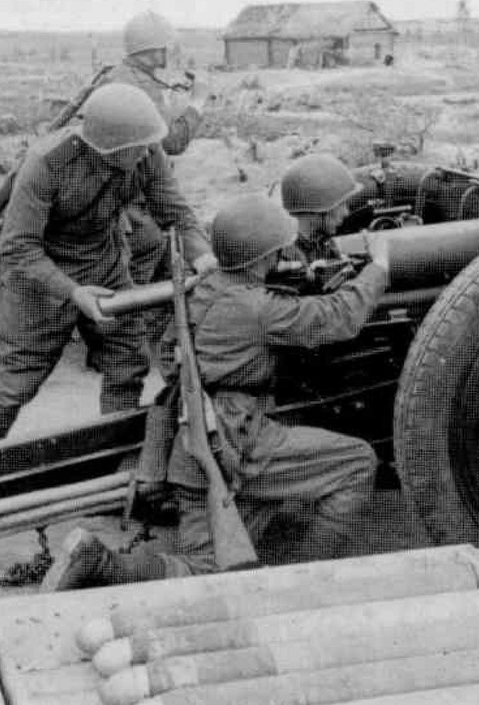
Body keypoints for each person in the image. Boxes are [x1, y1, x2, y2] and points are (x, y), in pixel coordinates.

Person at [40, 194, 391, 591]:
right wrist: (378, 267)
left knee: (205, 569)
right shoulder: (256, 307)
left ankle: (99, 562)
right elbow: (338, 317)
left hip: (192, 444)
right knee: (357, 462)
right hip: (239, 444)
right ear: (264, 256)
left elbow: (170, 358)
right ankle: (304, 579)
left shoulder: (200, 289)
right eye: (277, 251)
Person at [0, 83, 217, 446]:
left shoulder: (147, 151)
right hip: (40, 277)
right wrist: (73, 293)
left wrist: (203, 255)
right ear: (108, 149)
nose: (148, 153)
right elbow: (20, 248)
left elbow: (176, 213)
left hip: (103, 263)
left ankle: (114, 452)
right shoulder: (46, 164)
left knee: (127, 362)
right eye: (138, 148)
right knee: (18, 379)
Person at [100, 11, 207, 363]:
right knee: (141, 267)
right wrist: (197, 104)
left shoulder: (125, 77)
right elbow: (172, 141)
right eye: (166, 48)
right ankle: (118, 351)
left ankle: (143, 346)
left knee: (160, 271)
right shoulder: (138, 88)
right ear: (155, 50)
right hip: (129, 200)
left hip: (130, 192)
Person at [278, 152, 362, 267]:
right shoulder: (286, 259)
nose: (346, 212)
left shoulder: (319, 241)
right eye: (341, 204)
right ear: (319, 209)